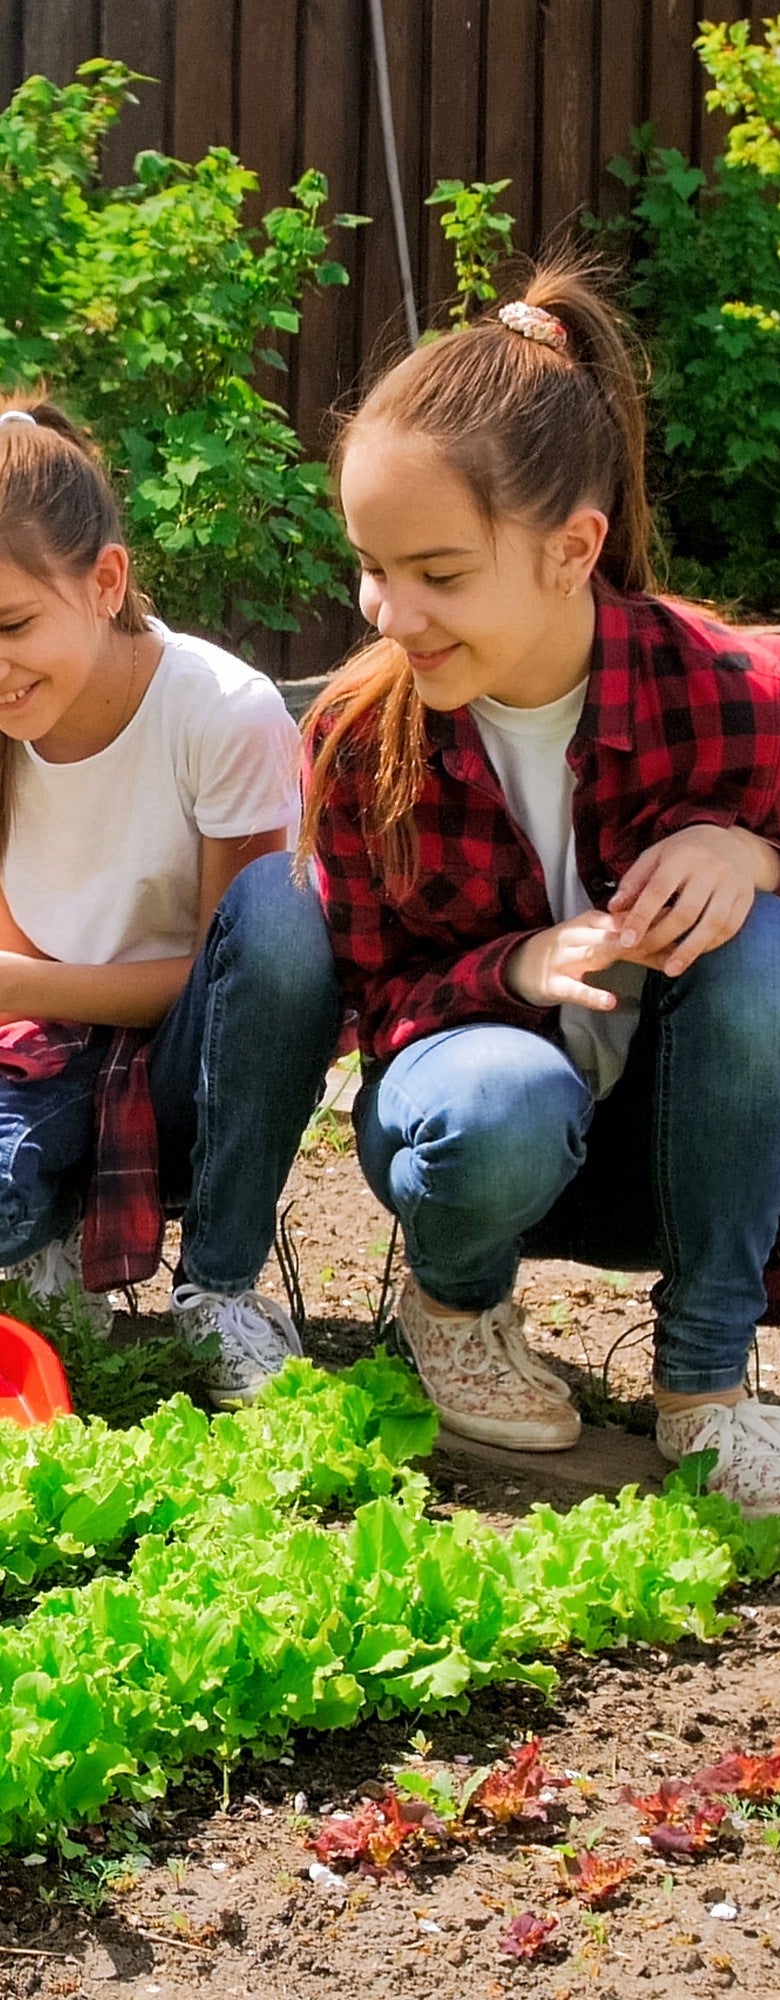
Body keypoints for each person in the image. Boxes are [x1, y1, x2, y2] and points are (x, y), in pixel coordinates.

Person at [298, 264, 780, 1526]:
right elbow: (370, 1002)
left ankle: (705, 1390)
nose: (391, 613)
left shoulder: (749, 694)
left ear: (572, 546)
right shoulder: (363, 735)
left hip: (680, 1162)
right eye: (371, 567)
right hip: (480, 1147)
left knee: (762, 949)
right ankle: (457, 1310)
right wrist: (517, 969)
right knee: (499, 1093)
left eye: (438, 573)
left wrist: (759, 862)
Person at [0, 397, 340, 1403]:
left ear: (105, 581)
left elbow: (246, 974)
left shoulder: (217, 711)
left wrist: (23, 982)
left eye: (13, 623)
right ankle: (43, 1236)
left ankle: (219, 1285)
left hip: (200, 1062)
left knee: (288, 914)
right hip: (44, 1048)